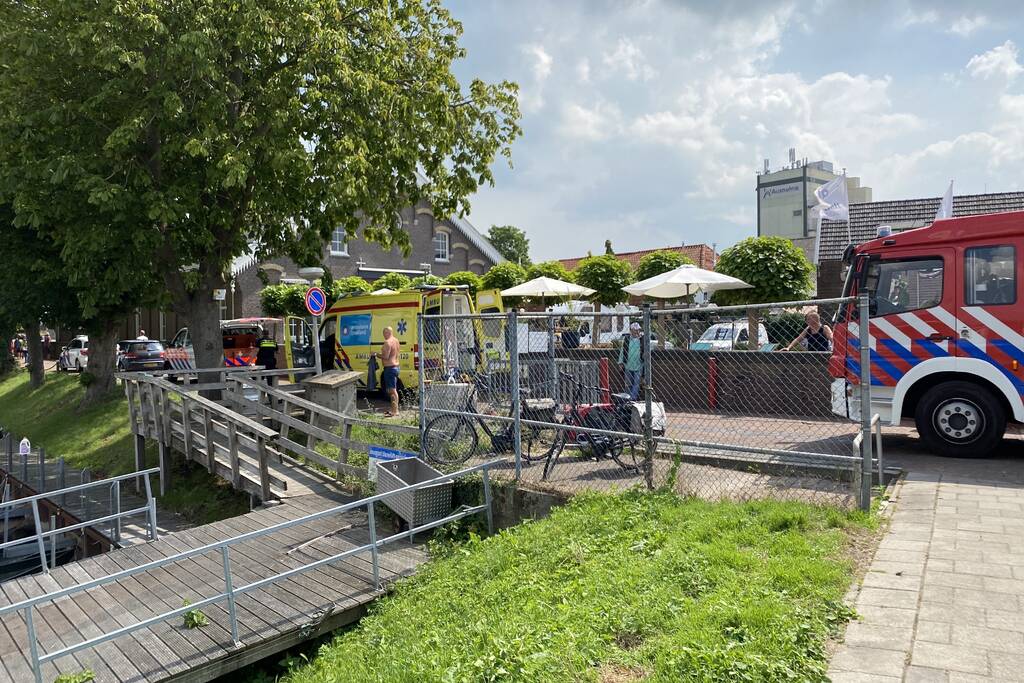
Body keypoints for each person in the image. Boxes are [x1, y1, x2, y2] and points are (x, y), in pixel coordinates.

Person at [617, 322, 646, 400]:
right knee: (628, 384)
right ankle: (627, 398)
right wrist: (620, 363)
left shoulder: (642, 339)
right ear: (631, 330)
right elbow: (622, 351)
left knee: (636, 384)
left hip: (639, 365)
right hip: (628, 365)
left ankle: (632, 399)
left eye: (638, 330)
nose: (637, 331)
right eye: (635, 330)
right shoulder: (626, 339)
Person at [380, 326, 401, 417]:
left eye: (385, 333)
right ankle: (394, 409)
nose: (384, 335)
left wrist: (376, 354)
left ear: (388, 333)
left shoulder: (387, 342)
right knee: (392, 390)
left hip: (390, 368)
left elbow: (385, 356)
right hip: (396, 367)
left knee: (392, 391)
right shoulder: (396, 340)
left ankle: (395, 411)